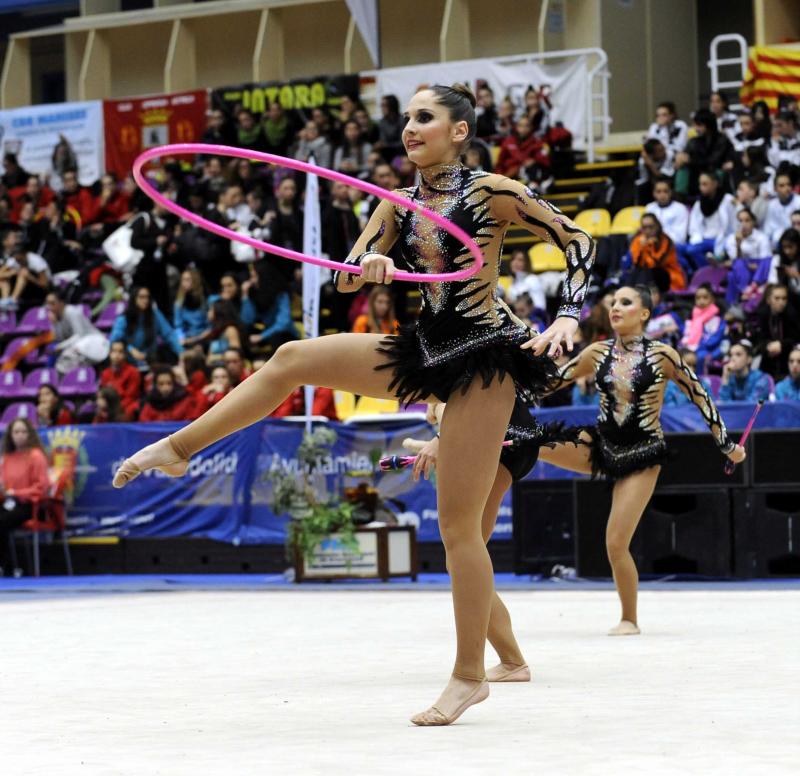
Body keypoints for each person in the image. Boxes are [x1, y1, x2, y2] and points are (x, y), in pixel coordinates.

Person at [112, 83, 595, 727]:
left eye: (425, 117)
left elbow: (579, 240)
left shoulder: (492, 192)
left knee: (458, 530)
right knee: (291, 357)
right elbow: (341, 273)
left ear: (459, 130)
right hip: (425, 346)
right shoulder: (399, 202)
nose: (409, 127)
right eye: (405, 118)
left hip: (484, 355)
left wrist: (566, 316)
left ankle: (469, 675)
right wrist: (370, 264)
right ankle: (179, 449)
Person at [535, 286, 743, 634]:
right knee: (532, 442)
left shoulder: (664, 355)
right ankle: (480, 446)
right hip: (600, 444)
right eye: (613, 303)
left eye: (626, 303)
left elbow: (699, 394)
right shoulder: (596, 352)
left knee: (615, 542)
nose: (616, 307)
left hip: (642, 452)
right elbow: (547, 385)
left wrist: (726, 443)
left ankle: (629, 618)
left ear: (644, 313)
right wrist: (497, 382)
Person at [401, 398, 578, 681]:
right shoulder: (438, 396)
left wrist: (439, 439)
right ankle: (511, 659)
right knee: (464, 559)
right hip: (514, 440)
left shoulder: (443, 382)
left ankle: (512, 661)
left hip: (503, 441)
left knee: (462, 561)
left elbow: (466, 398)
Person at [0, 419, 49, 576]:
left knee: (2, 521)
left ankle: (5, 566)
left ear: (30, 434)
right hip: (8, 502)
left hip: (30, 505)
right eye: (16, 432)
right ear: (10, 435)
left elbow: (41, 488)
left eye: (23, 431)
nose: (20, 435)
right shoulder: (6, 457)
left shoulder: (36, 456)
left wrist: (16, 493)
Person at [109, 286, 183, 368]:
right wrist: (131, 350)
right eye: (141, 297)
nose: (145, 300)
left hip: (151, 359)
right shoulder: (124, 318)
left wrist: (181, 352)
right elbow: (115, 340)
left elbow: (169, 335)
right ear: (134, 299)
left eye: (147, 297)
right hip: (128, 361)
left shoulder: (155, 315)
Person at [45, 288, 110, 375]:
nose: (49, 307)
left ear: (61, 303)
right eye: (48, 303)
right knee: (53, 348)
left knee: (61, 357)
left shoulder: (71, 311)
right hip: (76, 347)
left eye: (52, 303)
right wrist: (55, 324)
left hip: (93, 344)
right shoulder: (55, 316)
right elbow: (59, 338)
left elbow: (80, 335)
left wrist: (60, 346)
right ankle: (51, 378)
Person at [680, 171, 736, 269]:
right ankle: (704, 270)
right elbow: (694, 225)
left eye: (705, 184)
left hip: (723, 238)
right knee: (686, 249)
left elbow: (734, 221)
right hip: (705, 238)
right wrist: (697, 237)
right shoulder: (699, 202)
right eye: (700, 184)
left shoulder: (728, 199)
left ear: (715, 184)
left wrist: (731, 237)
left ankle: (714, 270)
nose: (701, 187)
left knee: (726, 249)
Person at [627, 213, 686, 291]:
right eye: (644, 227)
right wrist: (643, 247)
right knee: (635, 273)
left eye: (651, 227)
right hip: (645, 274)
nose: (648, 230)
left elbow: (657, 263)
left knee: (648, 272)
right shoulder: (638, 240)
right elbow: (636, 262)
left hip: (668, 275)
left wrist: (648, 246)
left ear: (657, 226)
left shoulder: (665, 240)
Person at [753, 284, 800, 380]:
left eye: (784, 298)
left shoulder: (792, 314)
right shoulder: (762, 314)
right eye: (777, 298)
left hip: (787, 358)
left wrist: (781, 344)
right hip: (767, 359)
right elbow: (759, 339)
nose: (781, 302)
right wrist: (768, 346)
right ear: (769, 300)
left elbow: (796, 338)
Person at [680, 284, 726, 368]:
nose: (701, 301)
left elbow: (715, 340)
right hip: (690, 350)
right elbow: (685, 336)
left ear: (712, 299)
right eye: (698, 298)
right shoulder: (691, 318)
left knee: (697, 357)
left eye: (705, 297)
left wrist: (696, 349)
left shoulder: (718, 320)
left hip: (709, 351)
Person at [494, 115, 550, 183]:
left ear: (531, 127)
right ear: (517, 127)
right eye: (521, 125)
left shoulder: (537, 142)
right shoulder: (508, 142)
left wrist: (534, 161)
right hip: (508, 176)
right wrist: (500, 178)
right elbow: (499, 163)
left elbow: (544, 160)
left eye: (527, 126)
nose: (524, 128)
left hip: (528, 174)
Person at [139, 368, 207, 422]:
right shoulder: (149, 403)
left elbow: (188, 424)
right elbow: (144, 424)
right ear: (155, 385)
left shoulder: (185, 401)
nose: (165, 388)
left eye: (169, 383)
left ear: (174, 383)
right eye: (161, 384)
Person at [100, 341, 142, 419]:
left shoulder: (133, 372)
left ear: (125, 354)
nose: (117, 355)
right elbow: (104, 395)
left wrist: (115, 409)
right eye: (114, 351)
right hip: (110, 407)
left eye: (120, 352)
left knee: (129, 411)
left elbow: (131, 397)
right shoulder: (105, 373)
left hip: (126, 406)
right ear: (109, 353)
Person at [645, 178, 689, 245]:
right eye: (658, 192)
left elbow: (681, 237)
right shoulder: (650, 208)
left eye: (665, 191)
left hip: (674, 246)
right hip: (652, 244)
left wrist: (660, 240)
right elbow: (646, 230)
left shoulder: (680, 208)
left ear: (670, 192)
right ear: (654, 193)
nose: (662, 195)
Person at [763, 172, 800, 248]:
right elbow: (768, 230)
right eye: (782, 185)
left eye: (788, 184)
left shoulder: (798, 201)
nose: (787, 188)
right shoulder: (772, 205)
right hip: (779, 243)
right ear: (775, 189)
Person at [174, 268, 209, 344]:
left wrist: (197, 339)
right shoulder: (179, 303)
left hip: (204, 337)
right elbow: (178, 326)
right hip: (188, 338)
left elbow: (210, 326)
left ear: (195, 281)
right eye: (183, 280)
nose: (184, 283)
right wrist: (181, 338)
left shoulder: (205, 300)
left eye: (188, 280)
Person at [768, 228, 800, 301]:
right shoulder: (777, 259)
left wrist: (797, 276)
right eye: (784, 247)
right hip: (781, 297)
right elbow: (772, 281)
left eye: (790, 247)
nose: (787, 251)